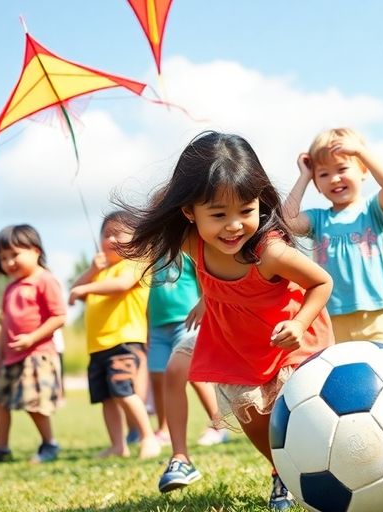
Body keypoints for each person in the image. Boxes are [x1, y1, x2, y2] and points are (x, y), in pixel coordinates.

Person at [120, 131, 334, 510]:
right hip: (235, 343)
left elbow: (321, 282)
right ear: (190, 211)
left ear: (258, 203)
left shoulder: (269, 252)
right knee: (252, 420)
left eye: (246, 211)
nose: (234, 226)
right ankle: (280, 470)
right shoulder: (193, 241)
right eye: (218, 214)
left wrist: (299, 323)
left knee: (293, 419)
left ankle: (306, 473)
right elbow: (165, 211)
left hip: (286, 342)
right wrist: (209, 298)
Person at [282, 127, 383, 348]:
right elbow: (287, 220)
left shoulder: (372, 211)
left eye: (342, 168)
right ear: (317, 184)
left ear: (363, 170)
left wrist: (360, 152)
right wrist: (305, 176)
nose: (335, 179)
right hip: (333, 316)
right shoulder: (319, 219)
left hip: (378, 313)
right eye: (323, 174)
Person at [70, 212, 161, 460]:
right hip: (97, 345)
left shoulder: (137, 263)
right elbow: (74, 291)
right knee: (106, 398)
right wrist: (89, 272)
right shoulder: (100, 271)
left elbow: (121, 285)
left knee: (124, 390)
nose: (110, 239)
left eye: (118, 234)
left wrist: (85, 287)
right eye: (106, 234)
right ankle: (117, 445)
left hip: (124, 340)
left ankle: (148, 437)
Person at [0, 224, 67, 464]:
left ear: (35, 251)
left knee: (32, 402)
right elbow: (5, 326)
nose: (9, 262)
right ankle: (1, 448)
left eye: (15, 255)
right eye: (3, 258)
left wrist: (32, 338)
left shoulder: (45, 280)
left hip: (37, 354)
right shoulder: (10, 289)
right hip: (11, 357)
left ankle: (50, 443)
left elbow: (59, 317)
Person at [147, 255, 228, 492]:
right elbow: (150, 298)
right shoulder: (151, 258)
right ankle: (167, 438)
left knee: (192, 373)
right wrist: (146, 328)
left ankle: (218, 424)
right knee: (160, 376)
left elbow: (205, 280)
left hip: (187, 320)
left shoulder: (186, 250)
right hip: (158, 327)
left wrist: (206, 303)